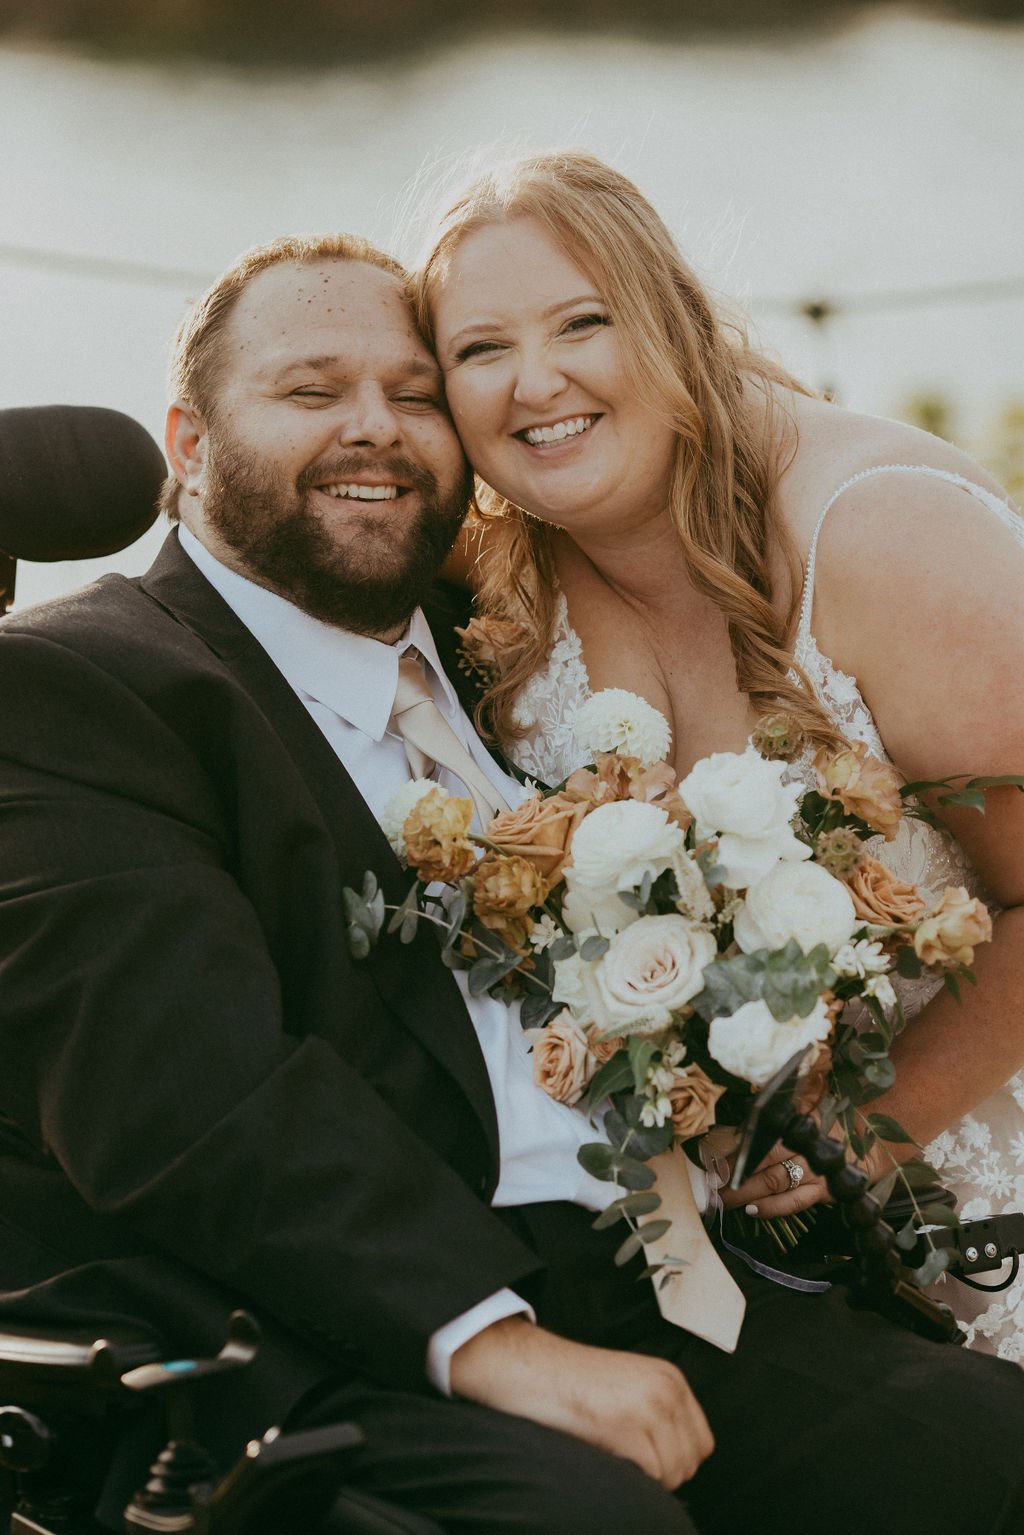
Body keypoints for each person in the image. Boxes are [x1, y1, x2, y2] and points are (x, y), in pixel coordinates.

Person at [1, 232, 1023, 1535]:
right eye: (311, 391)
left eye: (415, 393)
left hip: (648, 1260)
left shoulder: (491, 634)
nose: (373, 429)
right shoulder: (80, 686)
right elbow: (184, 1094)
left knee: (984, 1451)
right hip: (299, 1324)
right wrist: (491, 1338)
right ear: (189, 444)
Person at [416, 151, 1024, 1361]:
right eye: (480, 350)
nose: (536, 382)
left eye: (582, 322)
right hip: (700, 1252)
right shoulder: (494, 584)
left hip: (978, 1194)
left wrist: (875, 1131)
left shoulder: (885, 538)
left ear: (674, 320)